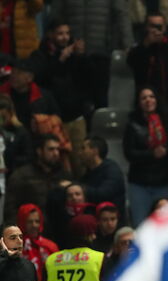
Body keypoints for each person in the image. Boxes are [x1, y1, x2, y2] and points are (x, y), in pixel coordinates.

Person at [30, 18, 95, 178]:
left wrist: (81, 56)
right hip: (55, 120)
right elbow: (42, 79)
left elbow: (89, 78)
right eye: (60, 33)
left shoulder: (74, 55)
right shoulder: (40, 55)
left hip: (76, 116)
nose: (65, 37)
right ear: (50, 35)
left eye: (67, 33)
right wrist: (60, 60)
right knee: (61, 163)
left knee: (80, 161)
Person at [123, 88, 168, 226]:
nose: (148, 100)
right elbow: (129, 153)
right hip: (140, 183)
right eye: (144, 98)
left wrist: (166, 152)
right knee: (141, 225)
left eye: (151, 96)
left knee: (167, 225)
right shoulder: (132, 124)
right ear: (138, 103)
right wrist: (151, 154)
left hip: (165, 181)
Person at [3, 134, 71, 222]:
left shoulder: (64, 175)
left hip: (58, 229)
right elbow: (10, 210)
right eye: (51, 149)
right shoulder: (22, 176)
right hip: (31, 229)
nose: (56, 153)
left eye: (57, 149)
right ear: (39, 151)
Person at [16, 203, 58, 281]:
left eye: (37, 221)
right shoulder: (15, 247)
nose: (34, 225)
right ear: (22, 222)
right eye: (30, 222)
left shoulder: (50, 247)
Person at [127, 13, 168, 99]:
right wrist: (146, 44)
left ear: (165, 28)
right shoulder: (139, 49)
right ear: (146, 27)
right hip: (146, 99)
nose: (156, 30)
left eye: (159, 27)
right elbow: (131, 62)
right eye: (153, 26)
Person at [80, 136, 127, 215]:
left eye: (83, 148)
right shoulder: (89, 171)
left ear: (94, 151)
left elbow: (104, 194)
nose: (80, 153)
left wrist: (79, 189)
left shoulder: (112, 170)